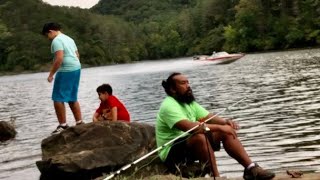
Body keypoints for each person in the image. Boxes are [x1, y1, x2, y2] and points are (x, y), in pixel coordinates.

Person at [156, 72, 275, 180]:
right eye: (183, 83)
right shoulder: (168, 105)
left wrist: (225, 123)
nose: (188, 85)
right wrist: (220, 127)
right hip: (171, 152)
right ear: (172, 89)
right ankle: (215, 177)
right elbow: (192, 127)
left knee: (226, 132)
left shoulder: (188, 102)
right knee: (200, 136)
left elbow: (208, 117)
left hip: (189, 144)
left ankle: (251, 168)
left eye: (188, 82)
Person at [42, 22, 83, 134]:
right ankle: (79, 122)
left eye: (47, 35)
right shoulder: (69, 39)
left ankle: (63, 125)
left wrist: (51, 74)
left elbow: (59, 58)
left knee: (57, 98)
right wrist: (74, 66)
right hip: (76, 68)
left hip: (66, 70)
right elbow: (77, 55)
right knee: (72, 97)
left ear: (50, 31)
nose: (48, 38)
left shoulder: (57, 40)